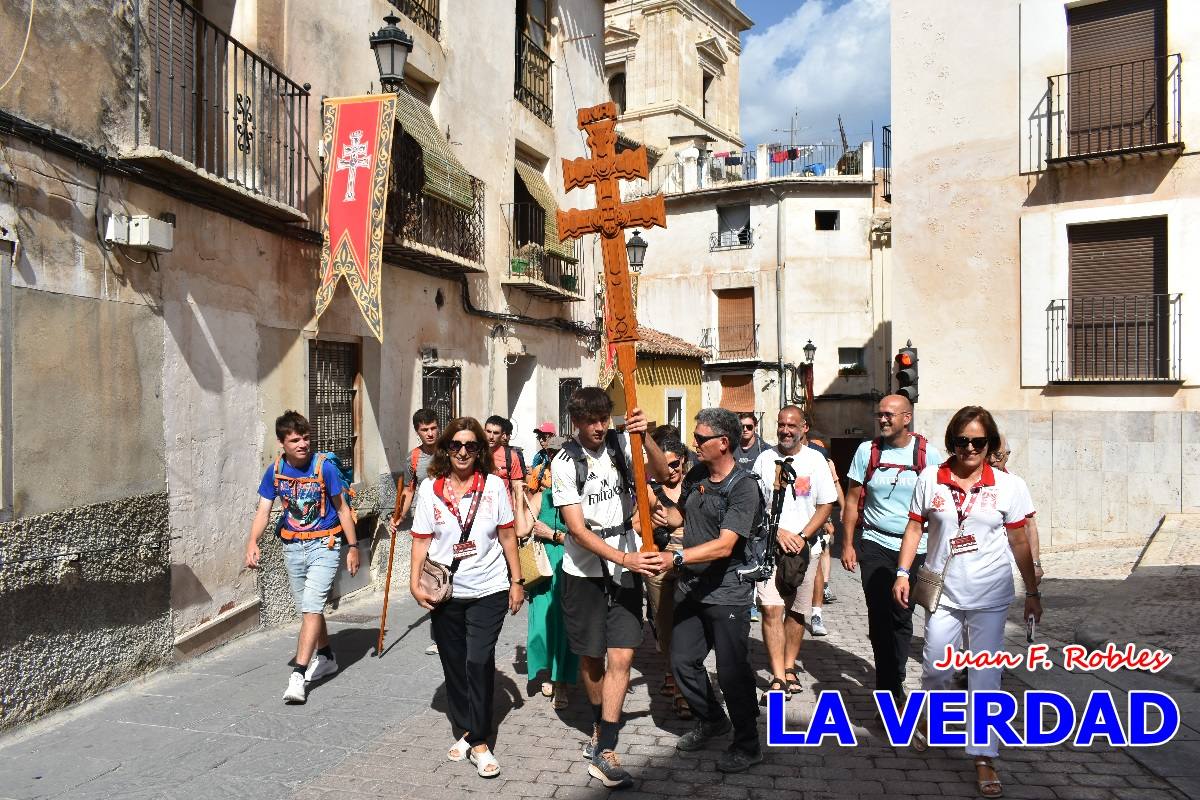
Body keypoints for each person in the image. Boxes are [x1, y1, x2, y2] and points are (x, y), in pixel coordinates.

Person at [894, 406, 1041, 799]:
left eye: (979, 441)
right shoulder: (932, 478)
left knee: (984, 678)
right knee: (936, 671)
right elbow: (914, 526)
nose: (970, 448)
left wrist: (1032, 592)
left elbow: (1020, 541)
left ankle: (983, 756)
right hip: (942, 593)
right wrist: (902, 572)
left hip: (991, 596)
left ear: (989, 443)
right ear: (952, 442)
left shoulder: (1009, 486)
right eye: (963, 441)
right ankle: (931, 717)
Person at [645, 408, 765, 773]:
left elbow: (725, 545)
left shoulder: (744, 486)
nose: (694, 445)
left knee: (731, 673)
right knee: (682, 661)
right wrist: (645, 438)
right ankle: (713, 719)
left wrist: (676, 558)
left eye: (700, 439)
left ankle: (748, 744)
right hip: (693, 588)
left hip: (728, 592)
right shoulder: (698, 473)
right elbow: (676, 497)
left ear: (723, 444)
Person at [409, 417, 528, 779]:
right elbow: (420, 540)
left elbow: (508, 536)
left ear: (480, 451)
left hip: (488, 589)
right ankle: (463, 727)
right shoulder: (431, 489)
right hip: (445, 592)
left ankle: (479, 741)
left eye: (471, 445)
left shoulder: (493, 486)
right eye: (456, 445)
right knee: (454, 664)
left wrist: (517, 580)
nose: (463, 452)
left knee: (478, 661)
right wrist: (415, 584)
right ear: (446, 449)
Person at [551, 387, 658, 790]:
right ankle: (599, 721)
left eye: (603, 419)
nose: (598, 427)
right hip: (584, 573)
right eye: (590, 421)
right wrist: (624, 558)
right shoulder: (564, 463)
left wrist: (644, 435)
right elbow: (576, 531)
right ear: (576, 422)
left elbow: (663, 474)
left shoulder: (621, 445)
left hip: (626, 567)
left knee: (623, 657)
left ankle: (606, 746)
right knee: (593, 658)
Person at [245, 410, 360, 705]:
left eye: (306, 438)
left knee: (311, 606)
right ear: (282, 442)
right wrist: (252, 541)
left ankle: (298, 674)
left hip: (326, 543)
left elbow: (343, 508)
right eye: (295, 439)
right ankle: (326, 656)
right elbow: (263, 510)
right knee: (308, 609)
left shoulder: (325, 468)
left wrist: (353, 547)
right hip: (293, 546)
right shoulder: (275, 471)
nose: (302, 444)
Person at [841, 394, 944, 704]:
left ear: (906, 418)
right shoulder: (866, 452)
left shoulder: (930, 455)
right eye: (880, 414)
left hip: (917, 547)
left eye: (889, 415)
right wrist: (848, 543)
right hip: (875, 542)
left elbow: (939, 505)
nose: (882, 419)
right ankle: (888, 687)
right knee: (880, 615)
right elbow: (851, 500)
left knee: (902, 615)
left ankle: (894, 676)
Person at [750, 406, 836, 699]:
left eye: (792, 425)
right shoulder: (764, 460)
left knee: (797, 613)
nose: (786, 430)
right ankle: (777, 676)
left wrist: (802, 536)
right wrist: (777, 534)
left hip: (804, 550)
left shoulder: (815, 461)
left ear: (804, 428)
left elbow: (826, 504)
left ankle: (789, 667)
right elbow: (754, 505)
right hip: (769, 549)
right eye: (781, 425)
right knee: (772, 608)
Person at [523, 435, 578, 709]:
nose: (556, 461)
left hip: (570, 562)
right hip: (543, 566)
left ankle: (562, 682)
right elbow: (522, 529)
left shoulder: (579, 497)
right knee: (542, 625)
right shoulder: (541, 495)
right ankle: (546, 671)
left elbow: (585, 535)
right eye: (553, 456)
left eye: (562, 456)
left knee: (565, 625)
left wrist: (552, 534)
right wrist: (515, 494)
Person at [642, 439, 692, 720]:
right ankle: (672, 674)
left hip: (689, 564)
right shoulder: (651, 489)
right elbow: (636, 523)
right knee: (664, 628)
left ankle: (681, 688)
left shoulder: (695, 486)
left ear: (683, 461)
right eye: (666, 464)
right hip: (659, 564)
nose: (671, 469)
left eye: (675, 463)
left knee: (685, 628)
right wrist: (650, 520)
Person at [393, 409, 442, 656]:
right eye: (425, 430)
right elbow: (409, 490)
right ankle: (439, 636)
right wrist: (399, 516)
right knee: (432, 579)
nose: (430, 433)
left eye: (433, 428)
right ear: (418, 432)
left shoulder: (451, 450)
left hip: (452, 525)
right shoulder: (413, 458)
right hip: (426, 526)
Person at [806, 435, 845, 637]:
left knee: (818, 563)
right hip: (789, 525)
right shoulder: (776, 455)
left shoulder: (819, 457)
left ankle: (816, 614)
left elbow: (830, 490)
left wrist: (832, 517)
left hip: (816, 519)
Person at [990, 435, 1043, 583]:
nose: (992, 459)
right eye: (988, 454)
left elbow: (1029, 525)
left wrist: (1035, 564)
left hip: (1009, 569)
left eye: (997, 454)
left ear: (1007, 455)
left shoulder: (1017, 483)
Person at [485, 415, 527, 524]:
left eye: (496, 433)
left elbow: (517, 488)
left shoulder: (511, 456)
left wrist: (517, 515)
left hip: (504, 513)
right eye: (488, 431)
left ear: (502, 435)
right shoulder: (475, 453)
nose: (491, 436)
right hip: (481, 511)